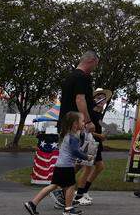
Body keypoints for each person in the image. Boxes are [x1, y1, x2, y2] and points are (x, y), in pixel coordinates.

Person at [52, 51, 98, 209]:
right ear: (91, 61)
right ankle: (61, 190)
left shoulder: (70, 78)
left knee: (74, 159)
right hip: (74, 127)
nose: (94, 68)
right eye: (95, 65)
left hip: (65, 124)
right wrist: (88, 121)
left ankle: (64, 192)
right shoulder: (82, 77)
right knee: (79, 159)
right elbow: (80, 99)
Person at [23, 111, 88, 215]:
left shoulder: (69, 134)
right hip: (67, 166)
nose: (84, 123)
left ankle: (32, 203)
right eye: (82, 121)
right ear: (75, 124)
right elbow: (76, 151)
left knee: (54, 185)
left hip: (59, 165)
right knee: (71, 186)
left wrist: (83, 134)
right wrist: (86, 157)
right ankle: (68, 209)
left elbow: (79, 143)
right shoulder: (73, 137)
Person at [73, 88, 111, 206]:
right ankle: (78, 194)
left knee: (94, 167)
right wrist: (100, 135)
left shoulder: (99, 113)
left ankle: (82, 190)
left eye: (103, 98)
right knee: (87, 168)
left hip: (95, 143)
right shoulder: (90, 112)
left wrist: (106, 130)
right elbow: (85, 130)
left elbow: (99, 126)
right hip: (88, 142)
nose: (101, 100)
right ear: (93, 100)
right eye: (98, 98)